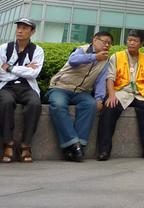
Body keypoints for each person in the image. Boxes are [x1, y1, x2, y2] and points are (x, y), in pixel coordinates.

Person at [96, 30, 144, 161]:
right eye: (129, 40)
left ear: (141, 44)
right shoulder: (116, 57)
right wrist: (111, 95)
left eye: (135, 41)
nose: (131, 43)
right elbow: (110, 78)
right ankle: (104, 150)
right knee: (109, 107)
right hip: (121, 92)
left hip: (140, 93)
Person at [47, 31, 114, 161]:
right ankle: (74, 145)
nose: (106, 45)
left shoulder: (106, 61)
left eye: (109, 43)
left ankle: (78, 146)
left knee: (90, 105)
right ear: (95, 40)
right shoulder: (82, 50)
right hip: (60, 87)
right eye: (104, 42)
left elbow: (100, 81)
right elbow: (73, 60)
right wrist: (94, 57)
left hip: (81, 92)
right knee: (58, 105)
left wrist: (99, 99)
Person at [0, 18, 45, 163]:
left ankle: (26, 144)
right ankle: (8, 143)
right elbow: (1, 72)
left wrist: (10, 68)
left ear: (32, 32)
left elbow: (34, 73)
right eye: (19, 27)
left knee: (34, 104)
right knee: (6, 102)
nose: (20, 31)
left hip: (27, 87)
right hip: (7, 86)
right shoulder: (4, 48)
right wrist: (25, 68)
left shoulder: (37, 51)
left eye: (25, 28)